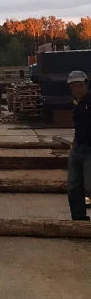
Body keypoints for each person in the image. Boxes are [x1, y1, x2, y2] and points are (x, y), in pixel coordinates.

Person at [66, 70, 91, 221]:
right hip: (78, 148)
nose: (77, 89)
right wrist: (73, 146)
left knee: (90, 186)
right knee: (73, 186)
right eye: (74, 86)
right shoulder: (76, 103)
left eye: (80, 85)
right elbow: (79, 127)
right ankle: (79, 220)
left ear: (86, 84)